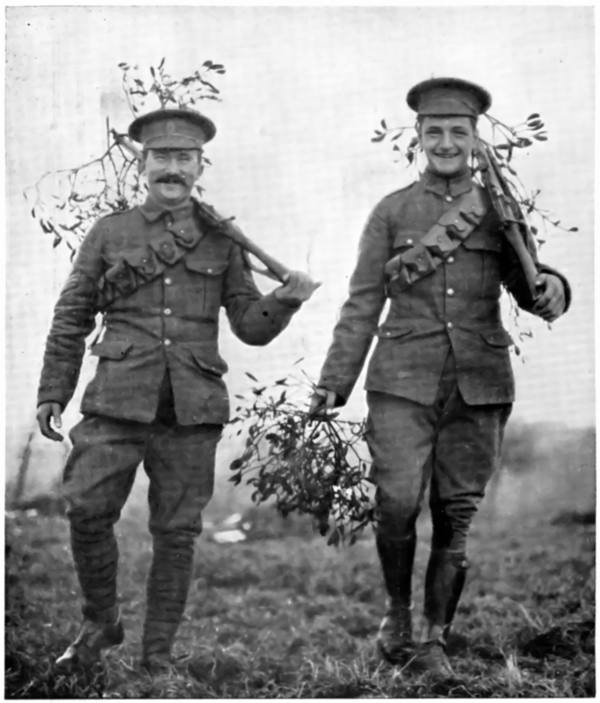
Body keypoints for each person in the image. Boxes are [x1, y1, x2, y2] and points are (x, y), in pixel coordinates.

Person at [36, 107, 318, 673]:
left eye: (183, 158)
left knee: (178, 531)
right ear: (143, 165)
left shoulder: (221, 240)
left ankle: (157, 654)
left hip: (192, 408)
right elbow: (71, 316)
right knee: (86, 508)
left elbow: (250, 328)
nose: (172, 167)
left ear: (199, 166)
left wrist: (286, 299)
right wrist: (54, 391)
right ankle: (100, 624)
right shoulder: (110, 233)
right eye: (161, 157)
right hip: (117, 398)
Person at [310, 77, 570, 676]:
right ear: (418, 139)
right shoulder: (392, 212)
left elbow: (530, 280)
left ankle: (433, 638)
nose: (447, 142)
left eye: (458, 131)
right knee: (397, 501)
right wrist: (335, 379)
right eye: (435, 132)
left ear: (477, 140)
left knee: (456, 513)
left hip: (478, 383)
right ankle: (397, 616)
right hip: (402, 380)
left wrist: (556, 289)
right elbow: (361, 302)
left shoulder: (499, 209)